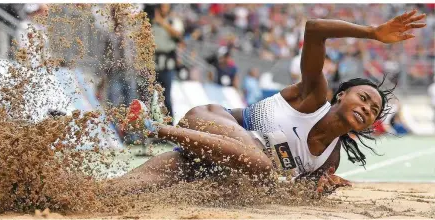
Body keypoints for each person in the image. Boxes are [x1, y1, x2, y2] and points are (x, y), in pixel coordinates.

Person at [117, 10, 426, 194]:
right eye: (364, 98)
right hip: (210, 122)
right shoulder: (314, 96)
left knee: (118, 192)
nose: (367, 108)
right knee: (264, 163)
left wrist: (318, 189)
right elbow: (315, 29)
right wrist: (372, 32)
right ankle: (151, 126)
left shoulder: (330, 160)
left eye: (373, 110)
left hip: (208, 161)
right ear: (341, 95)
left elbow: (291, 192)